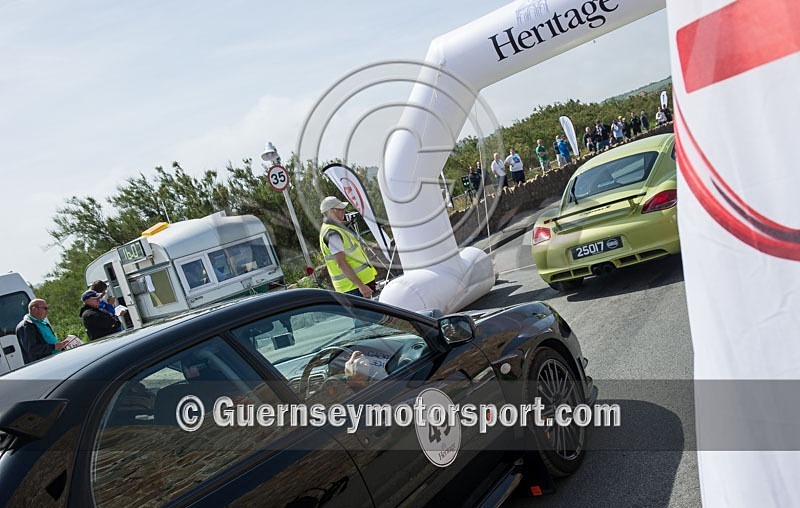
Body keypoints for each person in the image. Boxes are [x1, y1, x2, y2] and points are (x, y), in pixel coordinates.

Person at [319, 196, 378, 298]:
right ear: (331, 211)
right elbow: (341, 263)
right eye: (340, 209)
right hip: (354, 288)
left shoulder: (335, 228)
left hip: (356, 286)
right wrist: (361, 285)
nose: (344, 210)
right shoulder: (332, 233)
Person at [16, 299, 69, 364]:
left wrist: (61, 346)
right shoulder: (26, 326)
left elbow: (50, 340)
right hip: (44, 364)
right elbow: (32, 348)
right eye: (45, 308)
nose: (47, 311)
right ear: (34, 309)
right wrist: (54, 347)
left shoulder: (43, 323)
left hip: (56, 359)